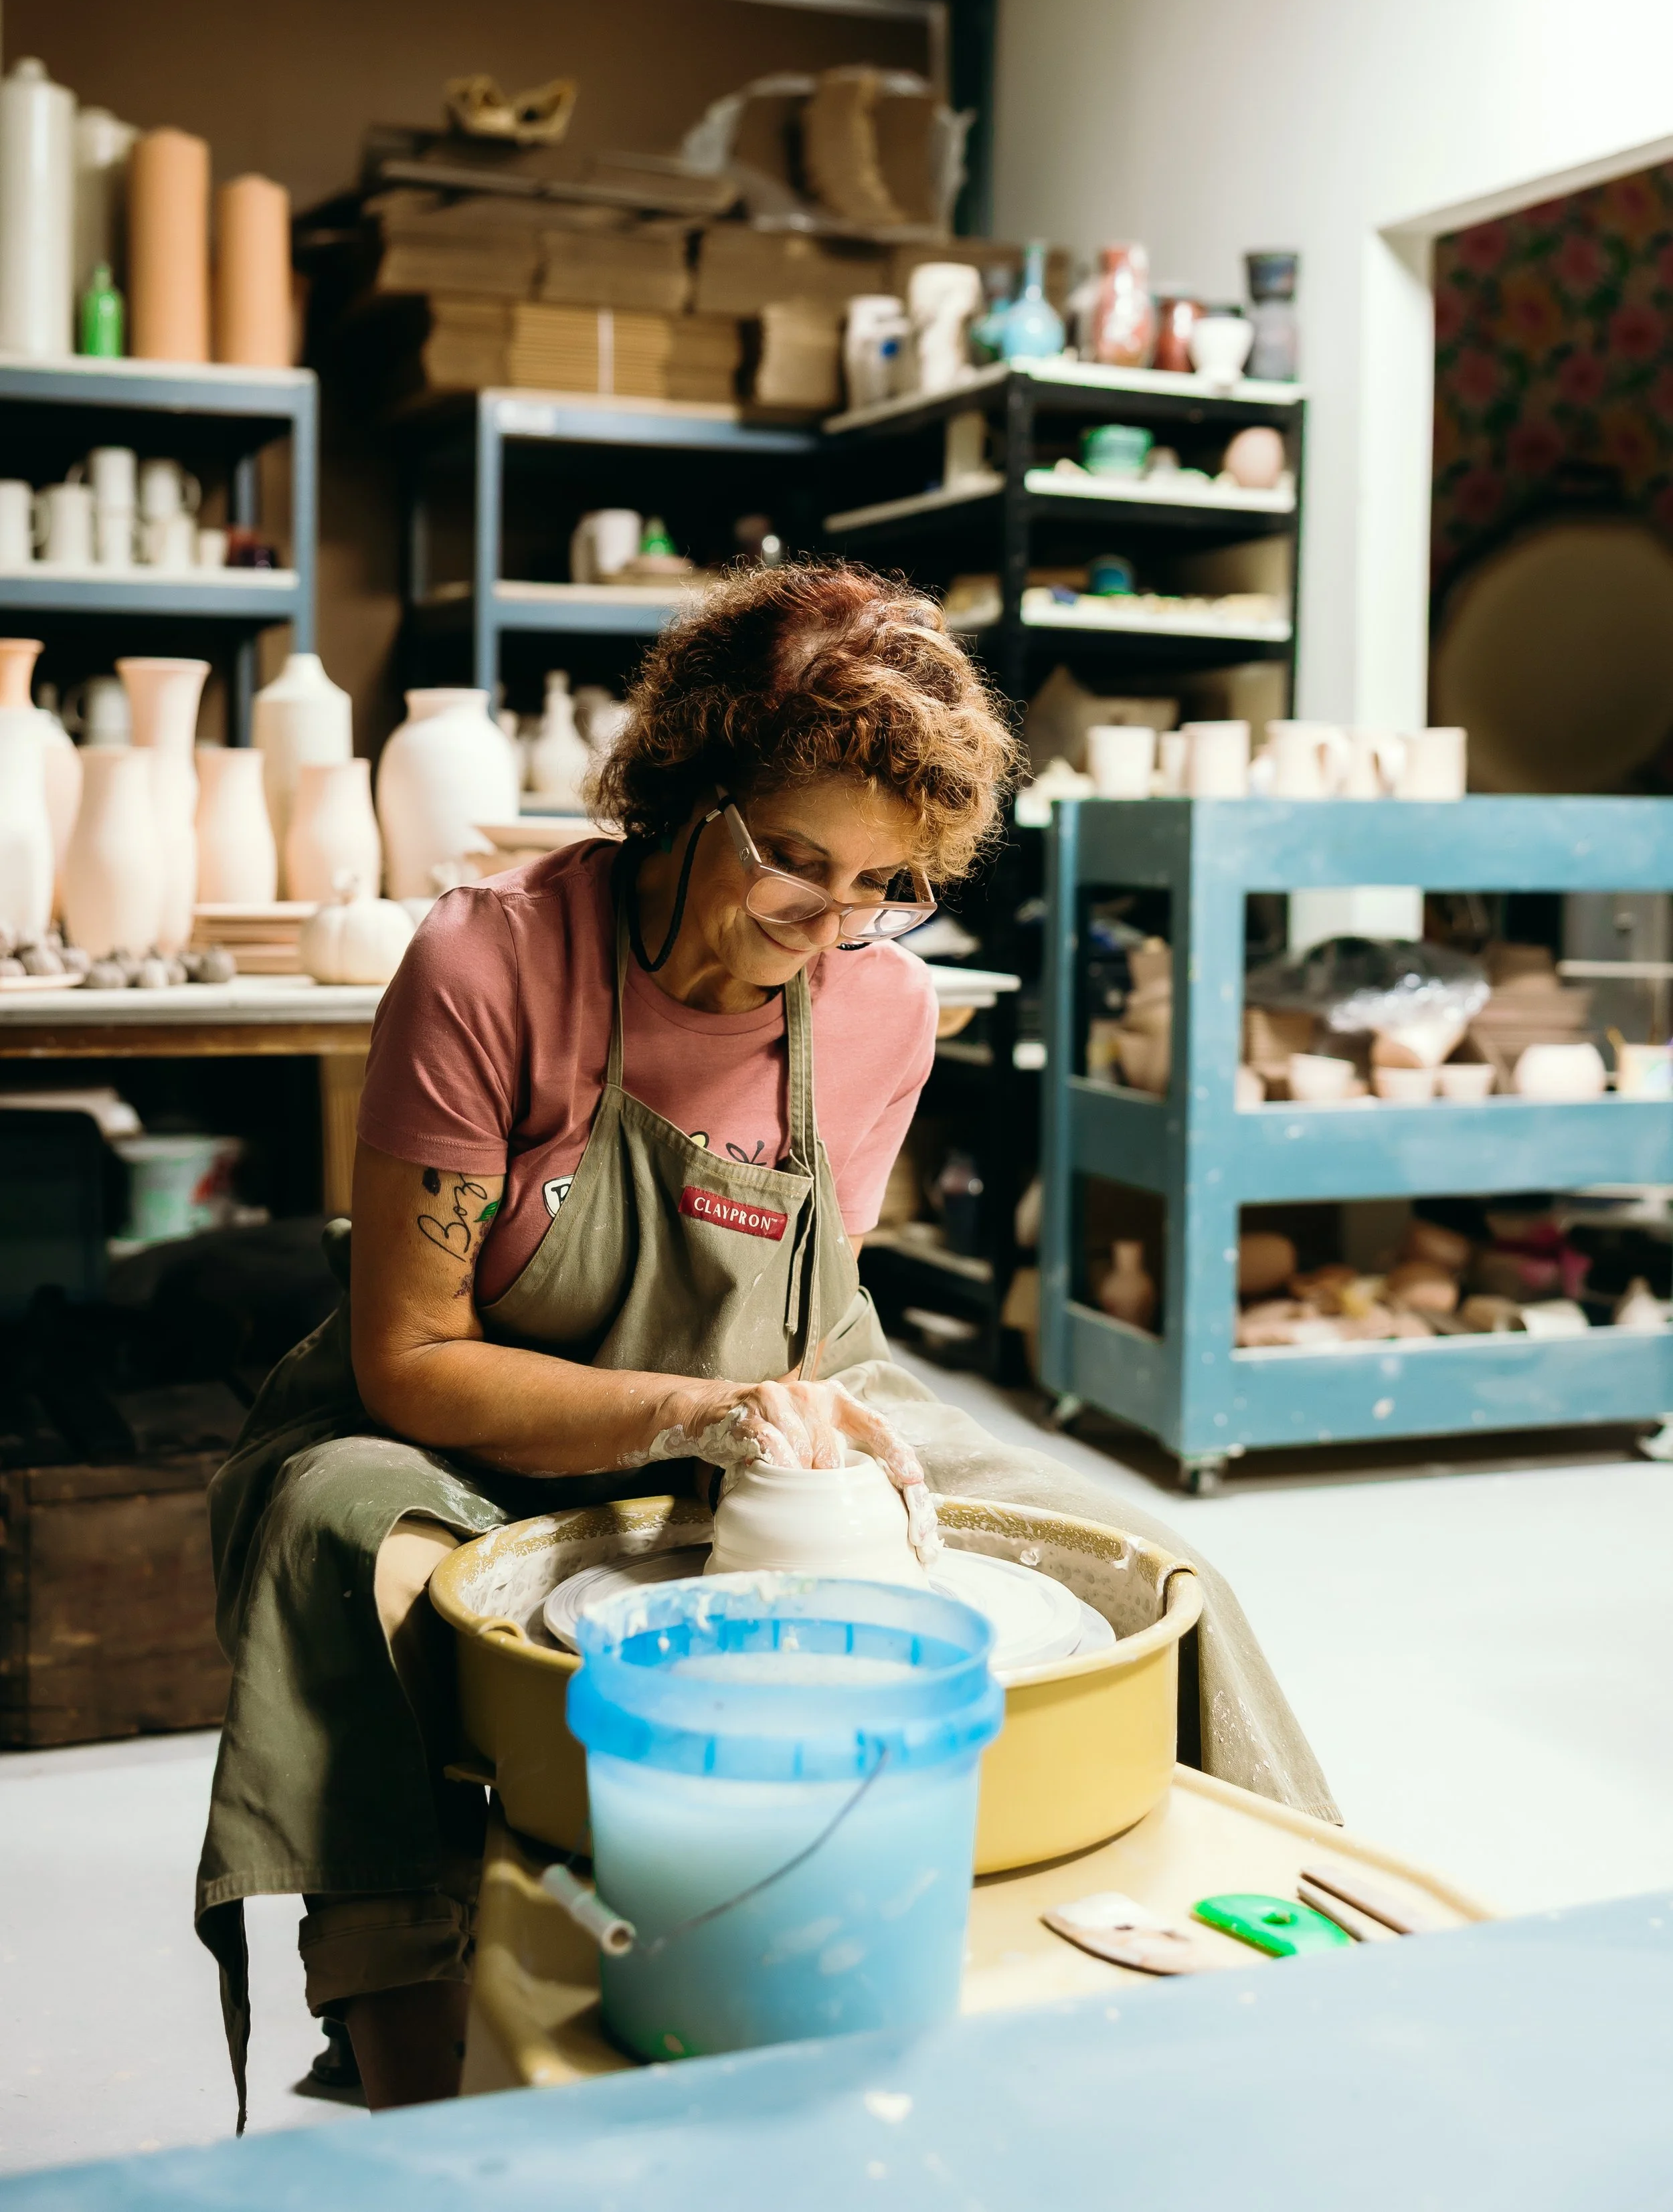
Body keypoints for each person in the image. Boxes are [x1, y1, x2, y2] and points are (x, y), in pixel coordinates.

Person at [197, 563, 1333, 2121]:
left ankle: (1289, 1997)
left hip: (778, 1392)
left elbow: (805, 1307)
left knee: (1140, 1566)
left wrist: (771, 1435)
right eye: (791, 863)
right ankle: (414, 2093)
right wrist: (698, 1416)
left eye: (883, 888)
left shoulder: (879, 1008)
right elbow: (413, 1358)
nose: (829, 925)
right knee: (335, 1533)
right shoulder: (488, 968)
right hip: (465, 1424)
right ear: (686, 786)